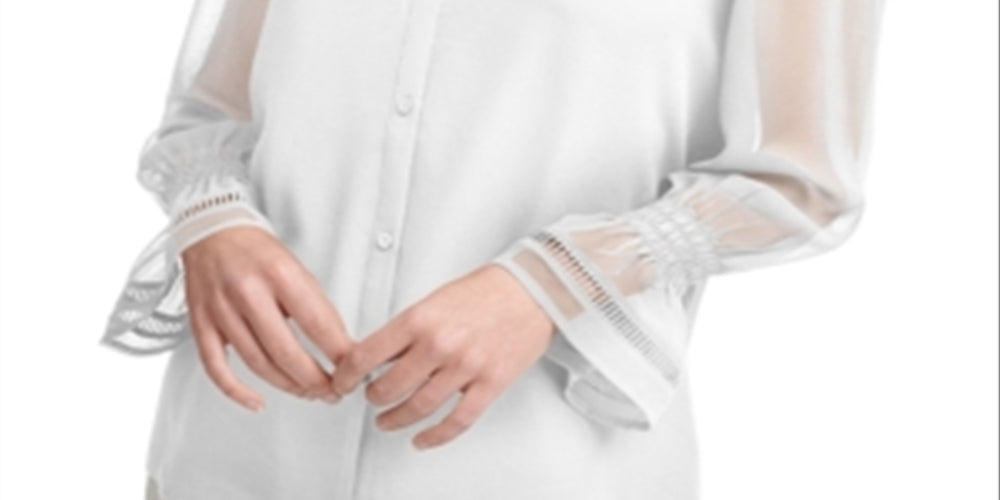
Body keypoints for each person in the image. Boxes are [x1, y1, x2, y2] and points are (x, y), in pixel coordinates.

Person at [102, 0, 887, 498]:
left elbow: (802, 179)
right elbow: (212, 108)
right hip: (236, 453)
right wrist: (215, 219)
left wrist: (554, 281)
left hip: (538, 466)